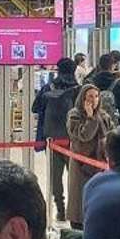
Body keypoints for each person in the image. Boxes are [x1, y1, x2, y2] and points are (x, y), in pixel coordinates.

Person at [32, 58, 81, 223]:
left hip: (53, 140)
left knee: (55, 177)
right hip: (74, 142)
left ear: (58, 70)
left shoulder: (48, 87)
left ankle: (60, 209)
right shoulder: (79, 90)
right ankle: (75, 212)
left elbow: (35, 108)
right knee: (76, 177)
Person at [67, 83, 115, 228]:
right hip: (82, 166)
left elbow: (112, 134)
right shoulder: (75, 115)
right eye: (90, 97)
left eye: (96, 96)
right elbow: (84, 135)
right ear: (83, 98)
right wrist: (90, 117)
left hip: (100, 165)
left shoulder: (104, 116)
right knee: (80, 200)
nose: (93, 100)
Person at [89, 52, 120, 124]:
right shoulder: (119, 83)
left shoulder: (90, 82)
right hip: (113, 123)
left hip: (94, 123)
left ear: (99, 65)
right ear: (112, 66)